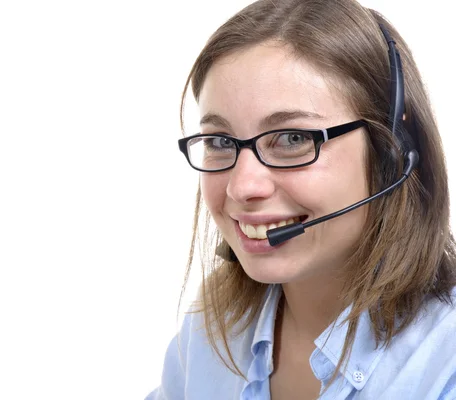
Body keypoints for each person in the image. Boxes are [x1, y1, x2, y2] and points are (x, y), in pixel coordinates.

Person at [146, 0, 456, 399]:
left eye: (293, 139)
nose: (242, 187)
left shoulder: (443, 367)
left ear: (391, 150)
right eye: (220, 141)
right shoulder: (210, 334)